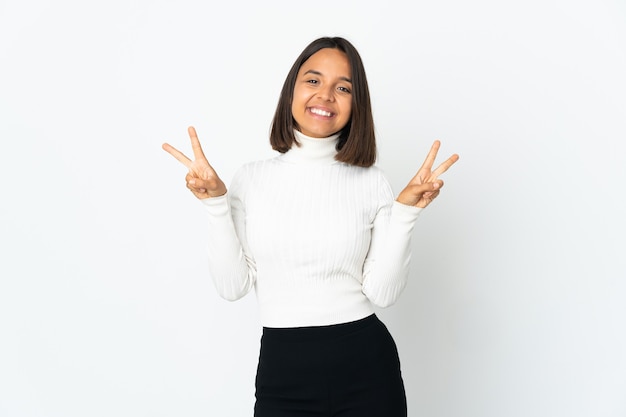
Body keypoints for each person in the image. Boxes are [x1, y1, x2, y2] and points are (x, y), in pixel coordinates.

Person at [162, 36, 458, 417]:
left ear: (357, 105)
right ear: (291, 92)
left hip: (367, 369)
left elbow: (382, 293)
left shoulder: (372, 181)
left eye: (344, 87)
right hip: (282, 374)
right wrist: (216, 204)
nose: (326, 95)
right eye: (313, 81)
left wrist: (404, 214)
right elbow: (231, 286)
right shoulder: (251, 180)